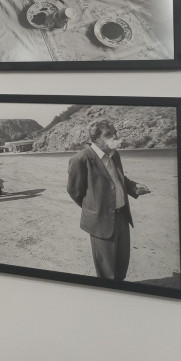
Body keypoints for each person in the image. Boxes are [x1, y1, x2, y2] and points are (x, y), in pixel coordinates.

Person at [67, 119, 151, 281]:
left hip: (122, 217)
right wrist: (94, 209)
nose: (115, 137)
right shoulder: (81, 159)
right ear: (97, 139)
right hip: (101, 222)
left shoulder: (114, 155)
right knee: (107, 273)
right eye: (109, 134)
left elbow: (118, 179)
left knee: (121, 266)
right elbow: (74, 191)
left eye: (115, 133)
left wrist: (133, 187)